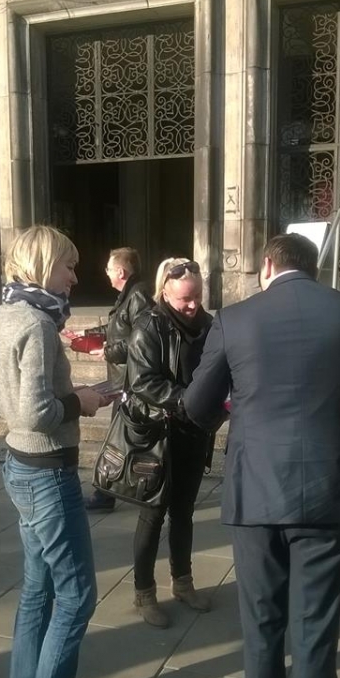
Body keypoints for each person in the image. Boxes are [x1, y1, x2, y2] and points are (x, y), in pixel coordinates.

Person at [184, 233, 340, 678]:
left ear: (267, 265)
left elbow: (197, 406)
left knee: (261, 624)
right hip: (325, 486)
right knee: (315, 632)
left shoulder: (235, 319)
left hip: (256, 488)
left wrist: (243, 401)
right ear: (313, 267)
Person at [0, 224, 107, 678]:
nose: (75, 277)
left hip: (20, 467)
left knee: (39, 590)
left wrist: (48, 404)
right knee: (76, 596)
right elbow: (35, 413)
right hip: (48, 476)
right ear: (42, 266)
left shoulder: (8, 314)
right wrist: (81, 401)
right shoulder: (37, 323)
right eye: (68, 266)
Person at [126, 257, 217, 628]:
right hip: (158, 434)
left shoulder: (209, 325)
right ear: (164, 292)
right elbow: (143, 382)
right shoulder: (149, 325)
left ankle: (183, 582)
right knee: (152, 514)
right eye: (184, 299)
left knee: (184, 511)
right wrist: (189, 400)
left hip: (195, 431)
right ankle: (144, 592)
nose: (193, 305)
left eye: (197, 296)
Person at [85, 247, 154, 512]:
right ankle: (116, 491)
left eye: (109, 268)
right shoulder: (129, 294)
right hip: (124, 382)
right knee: (124, 440)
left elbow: (141, 339)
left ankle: (105, 494)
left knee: (118, 441)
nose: (106, 273)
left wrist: (108, 351)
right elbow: (118, 328)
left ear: (121, 272)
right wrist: (88, 334)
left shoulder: (138, 295)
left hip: (131, 383)